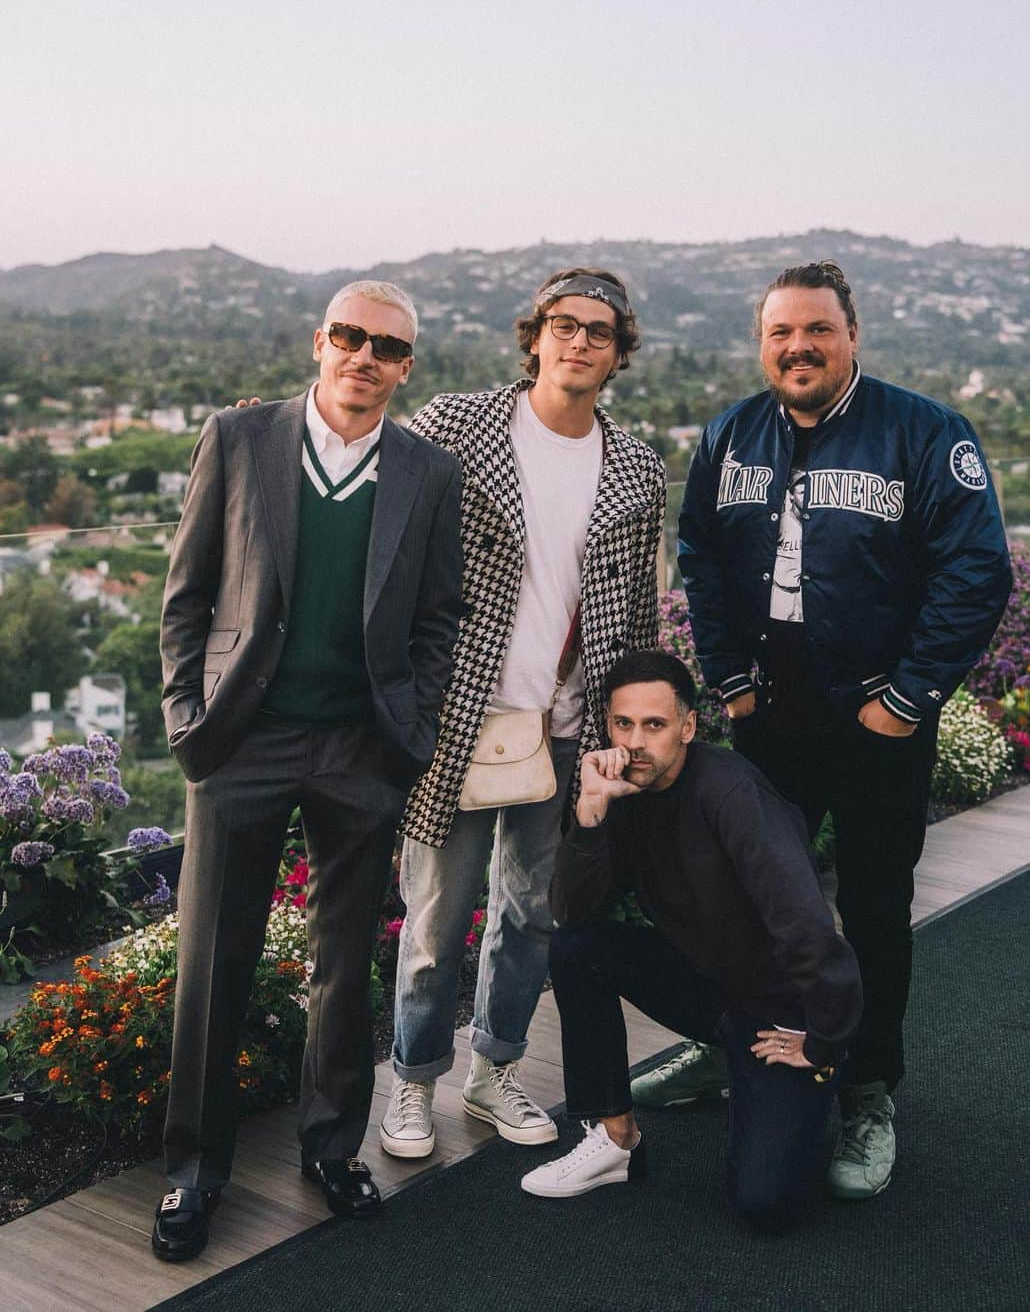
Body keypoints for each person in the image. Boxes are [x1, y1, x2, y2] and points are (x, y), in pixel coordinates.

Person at [668, 260, 1012, 1199]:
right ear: (762, 343)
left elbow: (977, 574)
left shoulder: (927, 432)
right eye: (781, 332)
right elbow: (697, 550)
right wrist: (729, 676)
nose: (799, 347)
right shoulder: (732, 433)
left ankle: (867, 1087)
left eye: (817, 329)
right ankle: (735, 1046)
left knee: (870, 911)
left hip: (874, 720)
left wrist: (904, 701)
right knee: (745, 901)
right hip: (767, 710)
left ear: (852, 335)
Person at [152, 280, 462, 1261]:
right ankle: (194, 1173)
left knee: (342, 970)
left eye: (387, 347)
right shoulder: (240, 441)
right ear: (319, 343)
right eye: (350, 338)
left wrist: (407, 733)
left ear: (406, 366)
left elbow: (437, 621)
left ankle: (331, 1149)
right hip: (244, 740)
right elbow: (186, 596)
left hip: (361, 752)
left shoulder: (427, 472)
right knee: (213, 961)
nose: (365, 357)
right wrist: (189, 724)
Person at [380, 269, 666, 1160]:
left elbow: (641, 614)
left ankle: (493, 1071)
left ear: (620, 355)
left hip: (569, 722)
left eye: (599, 332)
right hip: (461, 718)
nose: (579, 341)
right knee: (434, 921)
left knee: (529, 914)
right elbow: (369, 497)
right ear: (533, 335)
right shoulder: (456, 427)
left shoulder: (637, 469)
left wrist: (634, 732)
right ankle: (414, 1082)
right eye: (563, 325)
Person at [519, 651, 861, 1231]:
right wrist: (591, 813)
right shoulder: (621, 787)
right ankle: (614, 1138)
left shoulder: (733, 796)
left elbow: (805, 921)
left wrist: (824, 1040)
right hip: (710, 990)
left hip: (782, 1016)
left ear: (688, 726)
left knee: (765, 1205)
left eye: (654, 725)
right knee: (579, 950)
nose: (636, 742)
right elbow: (571, 913)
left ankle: (818, 1082)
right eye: (623, 724)